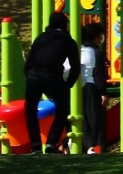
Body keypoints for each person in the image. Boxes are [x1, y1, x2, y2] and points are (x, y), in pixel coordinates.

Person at [23, 11, 80, 154]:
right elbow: (75, 67)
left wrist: (29, 77)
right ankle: (51, 142)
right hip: (53, 76)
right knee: (63, 109)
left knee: (30, 110)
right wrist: (67, 85)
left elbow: (28, 63)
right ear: (65, 24)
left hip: (34, 75)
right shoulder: (67, 41)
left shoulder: (40, 39)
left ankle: (35, 144)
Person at [79, 22, 109, 153]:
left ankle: (85, 145)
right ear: (97, 37)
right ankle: (95, 146)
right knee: (95, 118)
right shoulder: (95, 52)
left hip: (77, 86)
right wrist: (103, 92)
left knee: (83, 118)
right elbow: (99, 74)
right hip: (91, 87)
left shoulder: (78, 49)